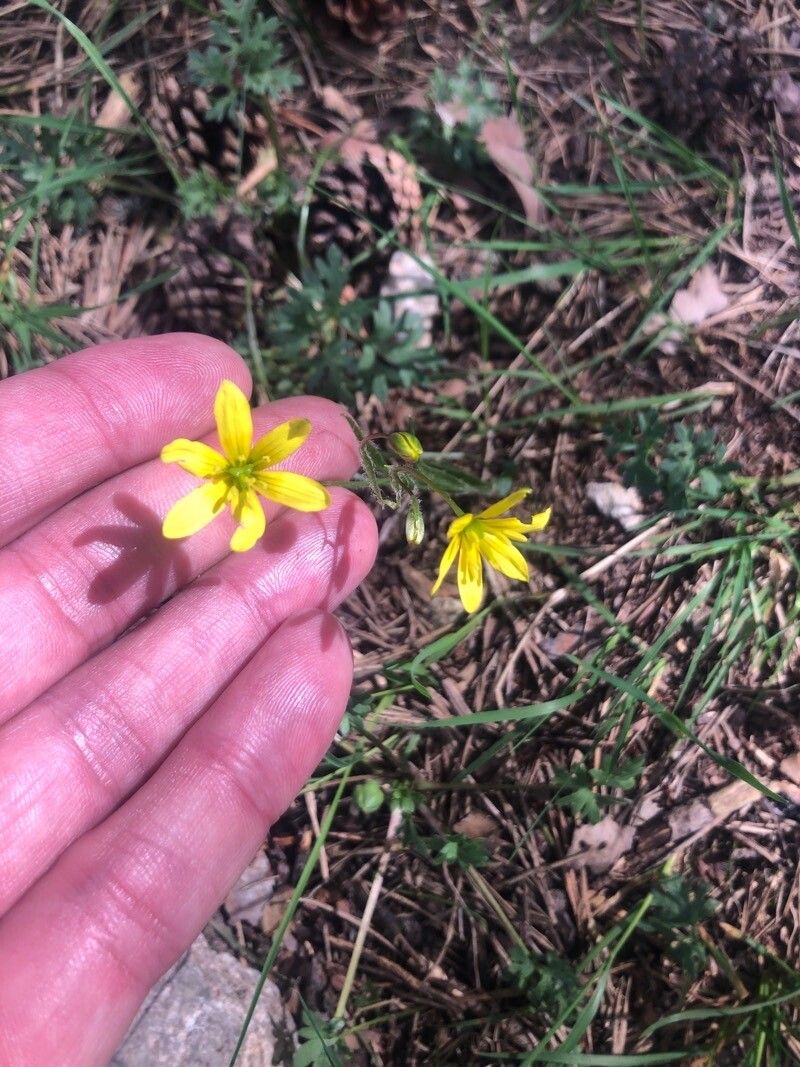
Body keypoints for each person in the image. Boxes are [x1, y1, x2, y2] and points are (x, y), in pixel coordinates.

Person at [0, 335, 377, 1065]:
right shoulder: (226, 471)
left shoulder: (253, 482)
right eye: (239, 471)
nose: (242, 473)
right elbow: (201, 484)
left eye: (246, 473)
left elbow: (244, 501)